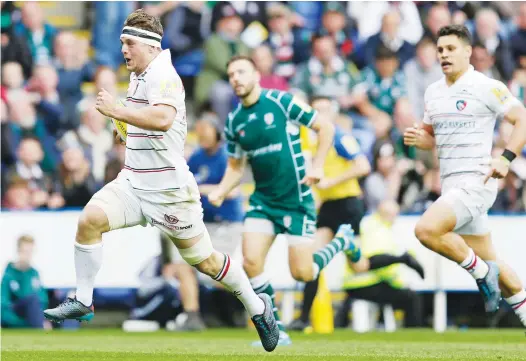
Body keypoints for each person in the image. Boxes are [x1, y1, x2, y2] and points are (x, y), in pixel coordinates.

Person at [43, 9, 280, 352]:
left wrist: (118, 111)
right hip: (134, 182)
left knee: (206, 262)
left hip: (169, 193)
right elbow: (143, 126)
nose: (123, 49)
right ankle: (83, 300)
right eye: (122, 42)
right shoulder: (140, 73)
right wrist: (124, 128)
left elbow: (164, 118)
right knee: (89, 221)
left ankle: (258, 308)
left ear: (151, 46)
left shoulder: (164, 75)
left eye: (129, 43)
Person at [208, 55, 359, 346]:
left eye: (241, 72)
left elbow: (325, 127)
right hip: (263, 201)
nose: (235, 78)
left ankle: (342, 240)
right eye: (230, 75)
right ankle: (276, 329)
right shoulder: (234, 121)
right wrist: (220, 190)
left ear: (256, 74)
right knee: (251, 262)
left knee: (302, 273)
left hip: (296, 200)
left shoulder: (281, 102)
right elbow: (236, 167)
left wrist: (317, 164)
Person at [403, 25, 526, 327]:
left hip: (477, 183)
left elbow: (522, 117)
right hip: (452, 188)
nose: (444, 54)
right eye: (440, 49)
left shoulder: (485, 86)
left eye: (450, 48)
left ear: (468, 51)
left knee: (426, 230)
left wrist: (506, 158)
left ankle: (482, 274)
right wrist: (422, 139)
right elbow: (434, 136)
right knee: (493, 259)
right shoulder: (433, 92)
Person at [289, 97, 424, 331]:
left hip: (349, 205)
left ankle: (403, 258)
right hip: (329, 207)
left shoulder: (340, 138)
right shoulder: (313, 141)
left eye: (323, 110)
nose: (318, 116)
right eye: (315, 111)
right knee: (312, 260)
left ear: (332, 114)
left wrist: (330, 182)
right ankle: (303, 319)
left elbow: (363, 166)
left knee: (359, 266)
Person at [167, 113, 245, 331]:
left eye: (205, 129)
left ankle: (249, 303)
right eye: (198, 129)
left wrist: (199, 190)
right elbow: (183, 182)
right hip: (201, 223)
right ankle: (192, 316)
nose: (200, 133)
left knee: (218, 273)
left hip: (226, 223)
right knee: (183, 266)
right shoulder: (196, 157)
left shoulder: (227, 156)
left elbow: (233, 190)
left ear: (217, 132)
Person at [335, 200, 424, 329]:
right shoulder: (377, 229)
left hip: (354, 284)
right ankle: (413, 335)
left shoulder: (369, 225)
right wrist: (402, 260)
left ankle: (345, 322)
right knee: (412, 298)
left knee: (400, 294)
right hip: (366, 283)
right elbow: (373, 261)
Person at [1, 235, 49, 329]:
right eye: (25, 252)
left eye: (30, 252)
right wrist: (21, 323)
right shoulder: (8, 274)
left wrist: (44, 319)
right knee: (32, 300)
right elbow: (3, 304)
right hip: (15, 317)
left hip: (34, 317)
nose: (28, 255)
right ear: (18, 251)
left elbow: (42, 300)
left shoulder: (34, 274)